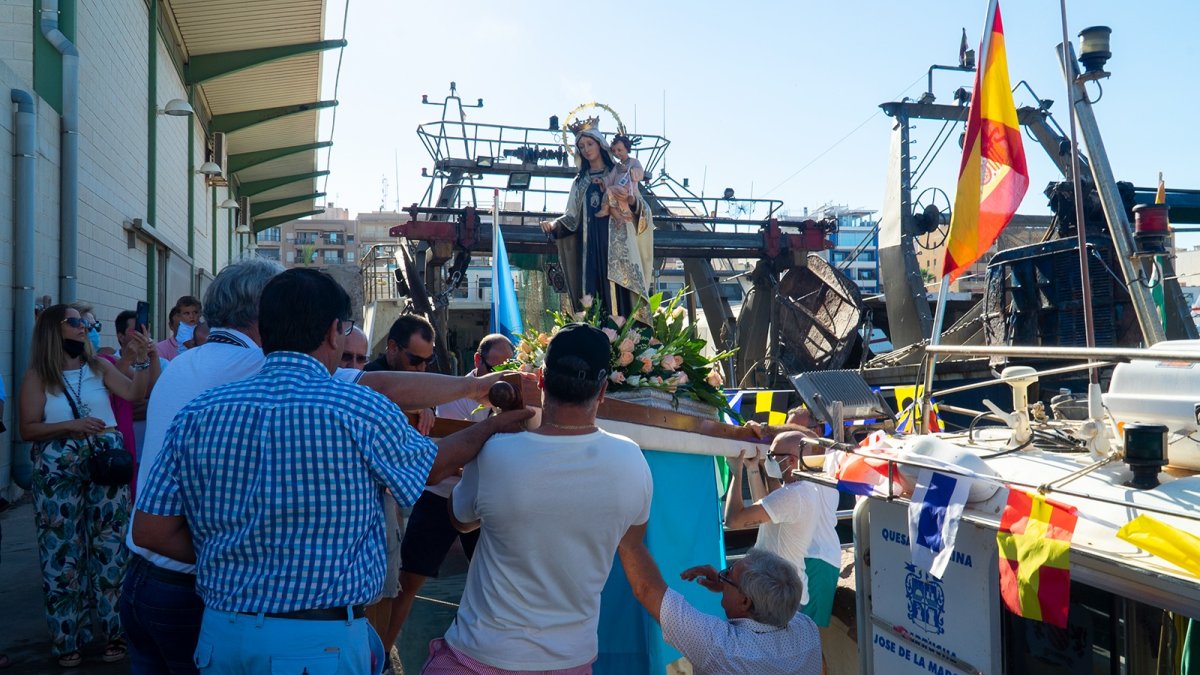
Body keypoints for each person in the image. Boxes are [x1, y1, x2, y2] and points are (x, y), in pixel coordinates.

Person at [133, 268, 530, 674]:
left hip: (220, 636)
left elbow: (150, 530)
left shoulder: (199, 412)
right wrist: (494, 424)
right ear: (332, 333)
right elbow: (431, 467)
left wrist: (236, 556)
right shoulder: (359, 409)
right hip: (317, 644)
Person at [425, 323, 652, 674]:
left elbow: (461, 520)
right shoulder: (633, 460)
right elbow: (631, 540)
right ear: (603, 390)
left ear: (541, 380)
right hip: (570, 659)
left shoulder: (497, 454)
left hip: (480, 653)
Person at [18, 303, 153, 668]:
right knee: (62, 552)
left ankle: (115, 634)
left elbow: (134, 395)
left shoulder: (99, 367)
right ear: (53, 330)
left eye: (86, 323)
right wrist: (70, 427)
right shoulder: (37, 376)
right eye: (75, 322)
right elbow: (27, 428)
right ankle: (68, 641)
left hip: (104, 464)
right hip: (57, 469)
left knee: (110, 547)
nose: (84, 328)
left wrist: (140, 361)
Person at [381, 334, 514, 651]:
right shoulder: (453, 396)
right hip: (444, 494)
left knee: (498, 582)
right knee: (410, 579)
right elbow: (441, 457)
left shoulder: (514, 399)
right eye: (497, 367)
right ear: (478, 362)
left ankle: (496, 651)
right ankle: (383, 651)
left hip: (486, 500)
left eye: (509, 370)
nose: (502, 377)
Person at [616, 545, 822, 675]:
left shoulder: (722, 648)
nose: (723, 576)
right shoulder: (807, 628)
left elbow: (646, 589)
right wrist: (727, 585)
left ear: (745, 602)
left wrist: (626, 533)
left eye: (729, 574)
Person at [724, 409, 841, 627]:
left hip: (790, 583)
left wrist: (736, 472)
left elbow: (733, 520)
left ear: (793, 461)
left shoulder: (796, 495)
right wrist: (752, 469)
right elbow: (768, 505)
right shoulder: (798, 490)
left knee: (808, 644)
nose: (769, 459)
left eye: (773, 455)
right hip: (784, 584)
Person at [540, 127, 653, 318]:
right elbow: (571, 217)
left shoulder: (619, 171)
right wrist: (553, 225)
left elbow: (644, 211)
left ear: (600, 145)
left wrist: (631, 200)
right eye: (581, 146)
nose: (586, 149)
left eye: (590, 144)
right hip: (589, 247)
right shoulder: (580, 182)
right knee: (591, 292)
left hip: (617, 246)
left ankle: (623, 339)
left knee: (619, 293)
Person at [364, 314, 437, 434]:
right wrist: (420, 406)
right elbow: (389, 394)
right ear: (393, 348)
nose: (422, 368)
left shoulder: (417, 370)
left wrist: (428, 407)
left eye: (429, 360)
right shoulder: (371, 375)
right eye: (415, 360)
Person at [595, 134, 644, 226]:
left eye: (619, 150)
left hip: (626, 190)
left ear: (627, 149)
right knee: (611, 205)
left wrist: (629, 170)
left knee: (609, 191)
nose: (617, 153)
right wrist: (602, 181)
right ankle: (619, 219)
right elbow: (610, 178)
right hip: (617, 190)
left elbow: (640, 173)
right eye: (614, 151)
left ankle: (604, 209)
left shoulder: (634, 162)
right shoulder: (617, 166)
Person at [157, 296, 201, 361]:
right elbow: (190, 345)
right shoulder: (183, 329)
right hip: (185, 358)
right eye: (187, 314)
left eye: (195, 312)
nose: (191, 316)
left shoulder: (200, 326)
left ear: (200, 314)